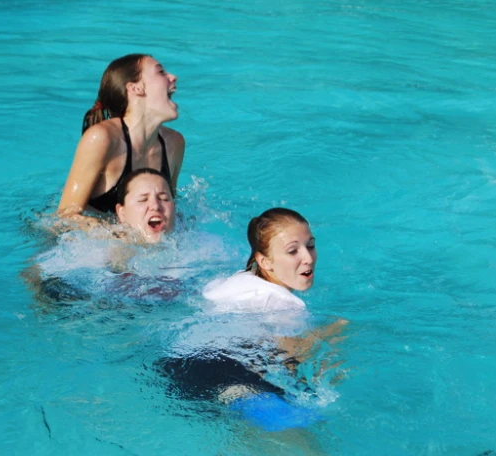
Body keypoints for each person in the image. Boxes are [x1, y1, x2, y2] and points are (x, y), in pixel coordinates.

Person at [157, 208, 346, 426]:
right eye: (293, 251)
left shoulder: (236, 281)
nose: (307, 257)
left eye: (311, 246)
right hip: (223, 368)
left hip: (177, 364)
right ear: (265, 262)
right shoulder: (283, 303)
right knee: (307, 426)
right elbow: (290, 355)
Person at [56, 54, 185, 227]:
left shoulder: (174, 142)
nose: (173, 77)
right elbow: (66, 215)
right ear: (136, 88)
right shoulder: (102, 138)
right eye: (161, 72)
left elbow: (170, 206)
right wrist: (118, 237)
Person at [24, 168, 178, 306]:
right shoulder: (101, 248)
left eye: (164, 199)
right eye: (143, 200)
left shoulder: (197, 245)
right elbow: (35, 273)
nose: (156, 206)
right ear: (122, 213)